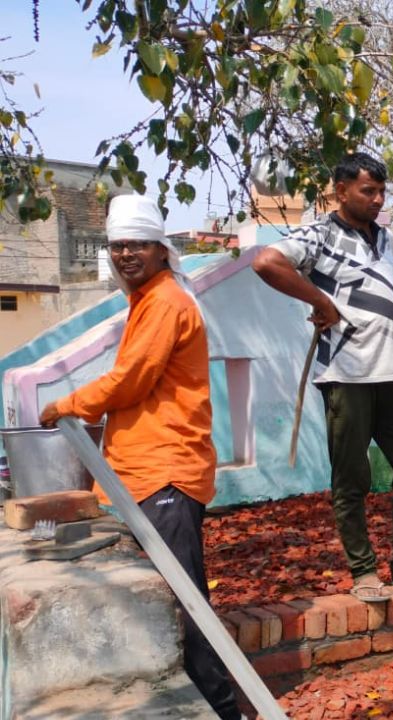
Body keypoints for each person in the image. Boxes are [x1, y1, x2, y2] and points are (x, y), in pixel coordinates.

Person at [39, 195, 241, 720]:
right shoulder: (148, 300)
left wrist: (67, 404)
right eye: (119, 245)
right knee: (165, 600)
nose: (127, 253)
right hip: (145, 476)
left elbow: (130, 381)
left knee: (185, 606)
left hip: (165, 474)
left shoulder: (166, 301)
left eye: (138, 245)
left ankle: (224, 709)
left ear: (160, 249)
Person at [251, 152, 393, 601]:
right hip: (345, 373)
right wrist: (321, 303)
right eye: (369, 191)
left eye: (382, 191)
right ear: (340, 191)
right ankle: (364, 571)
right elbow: (267, 262)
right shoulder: (320, 233)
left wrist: (391, 319)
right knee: (352, 477)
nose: (378, 199)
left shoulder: (388, 239)